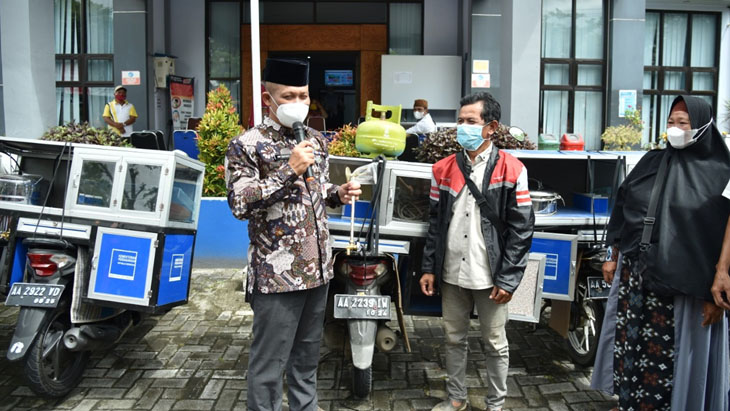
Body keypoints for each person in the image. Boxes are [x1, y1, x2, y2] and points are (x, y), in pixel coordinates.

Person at [225, 57, 361, 411]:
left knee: (306, 357)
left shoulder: (315, 139)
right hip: (277, 277)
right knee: (269, 364)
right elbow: (241, 204)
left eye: (303, 95)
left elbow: (316, 189)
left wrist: (337, 194)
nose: (298, 103)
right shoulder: (247, 145)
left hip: (318, 269)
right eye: (288, 95)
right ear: (268, 99)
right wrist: (288, 169)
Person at [602, 95, 730, 410]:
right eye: (671, 122)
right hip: (639, 279)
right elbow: (623, 204)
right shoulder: (651, 161)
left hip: (686, 286)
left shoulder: (720, 171)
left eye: (683, 123)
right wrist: (613, 253)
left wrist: (718, 280)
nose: (674, 129)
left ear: (702, 126)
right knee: (634, 349)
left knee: (676, 360)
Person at [419, 92, 535, 411]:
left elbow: (522, 230)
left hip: (491, 275)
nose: (463, 127)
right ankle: (456, 398)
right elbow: (435, 224)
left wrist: (509, 279)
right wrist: (429, 267)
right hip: (451, 272)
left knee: (495, 344)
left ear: (491, 127)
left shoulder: (513, 170)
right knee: (453, 339)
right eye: (460, 121)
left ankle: (495, 404)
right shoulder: (442, 169)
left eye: (471, 121)